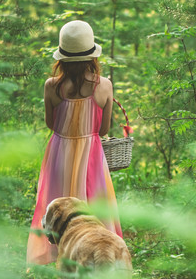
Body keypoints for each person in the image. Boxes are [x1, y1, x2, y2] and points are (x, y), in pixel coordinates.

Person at [26, 20, 123, 265]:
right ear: (92, 56)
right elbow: (103, 129)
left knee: (58, 202)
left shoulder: (52, 86)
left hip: (60, 152)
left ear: (62, 58)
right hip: (91, 152)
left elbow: (51, 124)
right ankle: (97, 256)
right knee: (93, 205)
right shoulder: (104, 86)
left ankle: (58, 256)